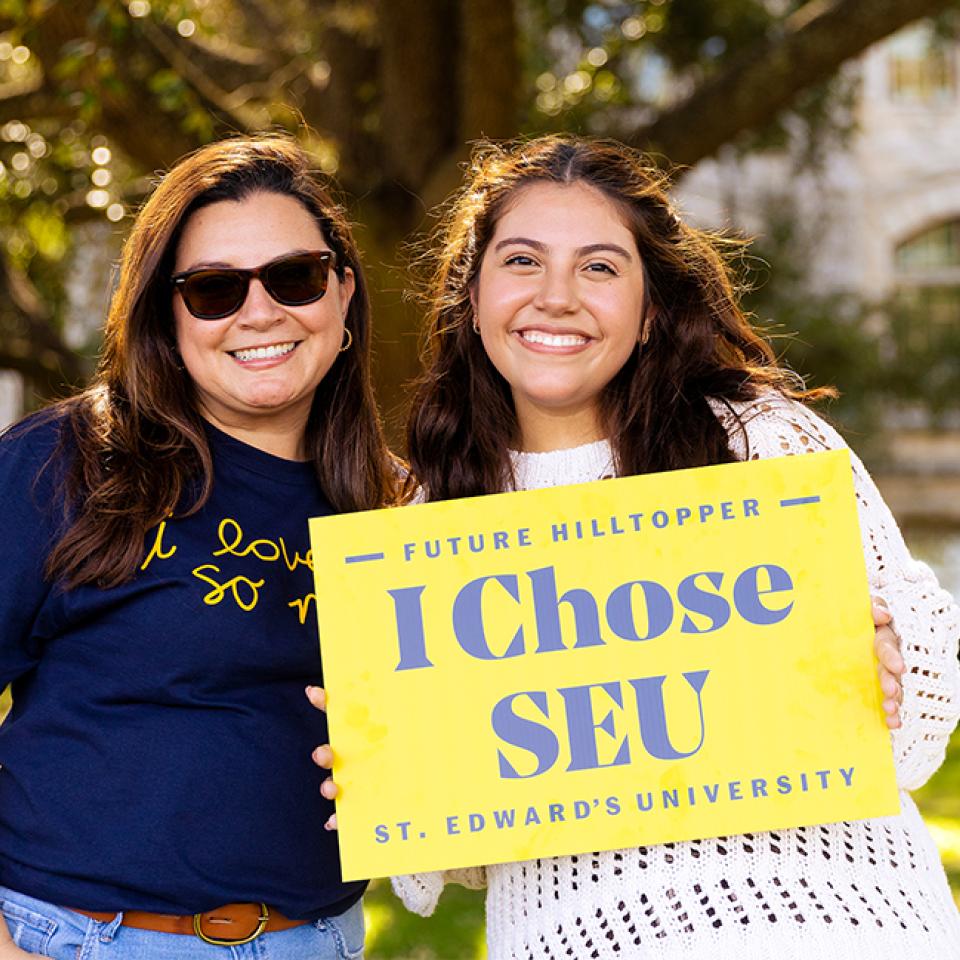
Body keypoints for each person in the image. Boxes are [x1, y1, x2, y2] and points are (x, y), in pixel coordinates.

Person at [315, 135, 960, 958]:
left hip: (833, 921)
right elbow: (466, 851)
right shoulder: (432, 525)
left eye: (599, 268)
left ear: (650, 306)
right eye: (521, 262)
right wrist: (390, 761)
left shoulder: (755, 438)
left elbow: (919, 671)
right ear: (471, 300)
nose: (557, 297)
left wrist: (891, 665)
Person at [0, 134, 396, 960]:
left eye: (295, 277)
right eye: (214, 290)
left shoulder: (393, 501)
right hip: (78, 939)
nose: (261, 312)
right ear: (165, 317)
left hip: (318, 940)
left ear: (343, 293)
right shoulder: (66, 464)